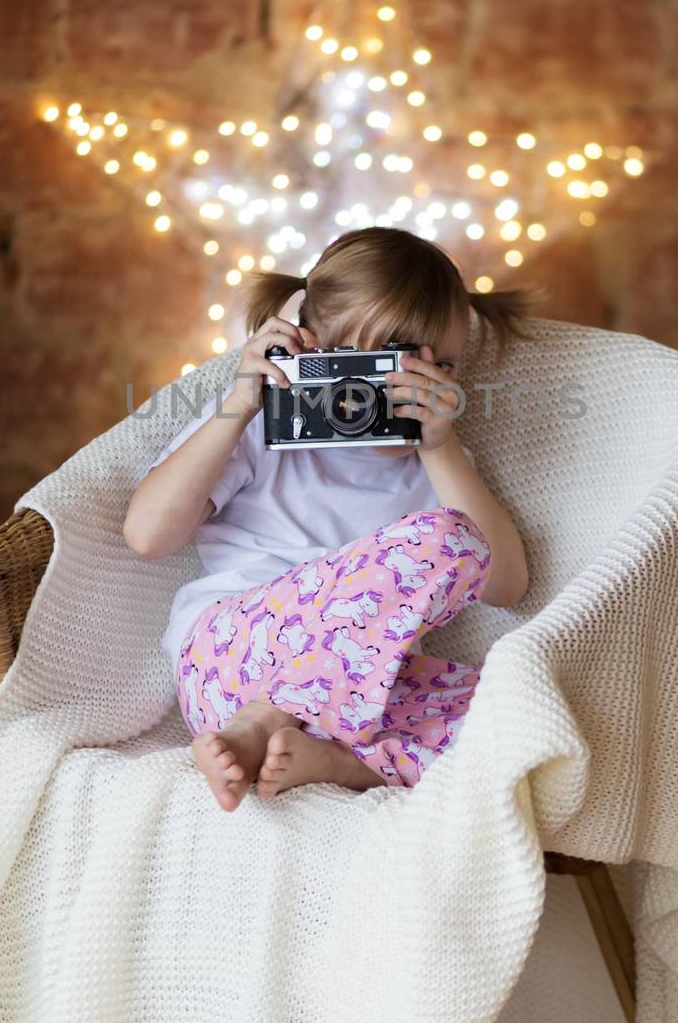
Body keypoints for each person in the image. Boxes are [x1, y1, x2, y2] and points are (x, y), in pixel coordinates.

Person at [123, 226, 536, 811]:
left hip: (358, 701)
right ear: (316, 355)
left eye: (440, 365)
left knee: (516, 722)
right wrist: (239, 404)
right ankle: (269, 721)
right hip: (231, 673)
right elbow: (146, 536)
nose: (410, 385)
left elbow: (506, 586)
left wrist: (440, 448)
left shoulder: (438, 462)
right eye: (387, 363)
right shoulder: (260, 428)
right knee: (447, 538)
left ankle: (343, 765)